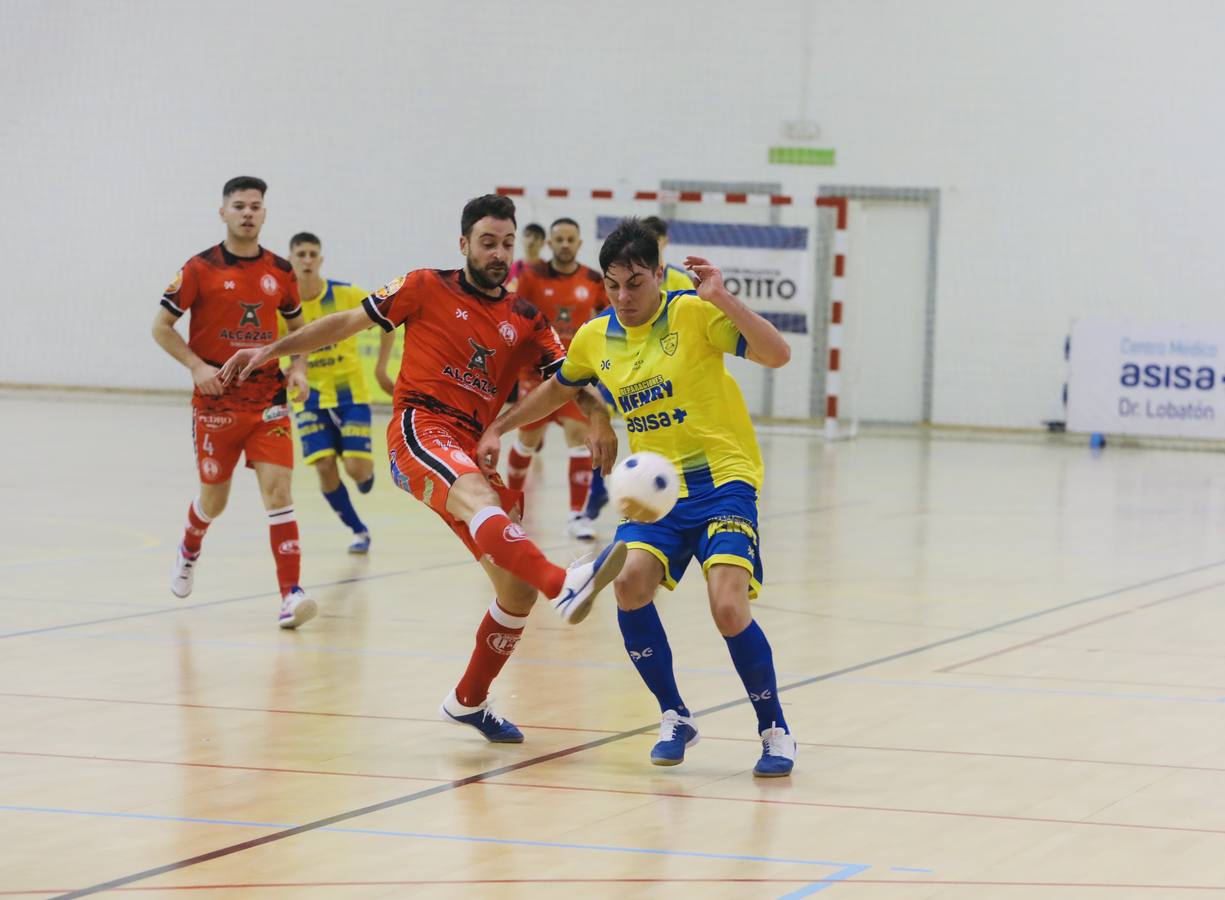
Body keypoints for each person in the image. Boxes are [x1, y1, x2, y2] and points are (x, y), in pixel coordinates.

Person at [219, 194, 627, 741]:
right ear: (463, 244)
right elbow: (344, 323)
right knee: (485, 508)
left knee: (514, 591)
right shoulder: (423, 286)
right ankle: (564, 582)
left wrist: (598, 416)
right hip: (421, 429)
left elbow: (568, 377)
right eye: (487, 242)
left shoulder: (526, 318)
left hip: (470, 443)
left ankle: (468, 700)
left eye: (507, 244)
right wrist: (271, 352)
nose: (498, 253)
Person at [476, 218, 798, 777]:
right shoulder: (594, 336)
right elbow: (561, 386)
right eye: (613, 284)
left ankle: (774, 729)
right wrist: (500, 426)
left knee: (726, 605)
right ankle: (674, 715)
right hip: (656, 492)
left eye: (637, 283)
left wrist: (722, 297)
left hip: (724, 480)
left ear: (658, 276)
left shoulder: (693, 314)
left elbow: (777, 354)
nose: (624, 297)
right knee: (628, 584)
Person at [151, 176, 316, 629]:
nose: (248, 213)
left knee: (279, 493)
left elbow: (299, 331)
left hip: (268, 399)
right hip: (217, 404)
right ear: (222, 212)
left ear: (265, 213)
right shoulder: (198, 269)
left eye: (256, 206)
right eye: (239, 206)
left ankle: (290, 595)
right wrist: (196, 367)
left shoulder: (280, 271)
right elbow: (161, 327)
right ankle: (190, 546)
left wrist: (298, 368)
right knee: (214, 501)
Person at [286, 232, 395, 553]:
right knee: (323, 466)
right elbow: (272, 347)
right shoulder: (284, 305)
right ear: (290, 260)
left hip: (350, 395)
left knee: (355, 469)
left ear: (320, 260)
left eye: (312, 254)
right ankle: (358, 530)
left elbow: (388, 318)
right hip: (308, 397)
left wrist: (380, 369)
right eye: (300, 254)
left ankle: (365, 473)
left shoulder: (346, 295)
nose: (306, 260)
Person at [505, 218, 608, 540]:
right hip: (535, 374)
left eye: (570, 239)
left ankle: (577, 515)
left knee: (579, 438)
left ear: (579, 244)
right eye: (559, 239)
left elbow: (609, 319)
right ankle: (511, 507)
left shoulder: (593, 280)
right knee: (528, 441)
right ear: (550, 244)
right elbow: (511, 313)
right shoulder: (531, 277)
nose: (564, 244)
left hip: (574, 372)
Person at [640, 216, 697, 292]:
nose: (649, 244)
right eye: (644, 239)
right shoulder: (632, 280)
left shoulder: (682, 279)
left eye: (655, 239)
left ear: (665, 240)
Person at [506, 222, 546, 290]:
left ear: (542, 242)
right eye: (527, 235)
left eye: (536, 237)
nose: (531, 241)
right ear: (521, 239)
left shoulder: (547, 269)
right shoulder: (512, 268)